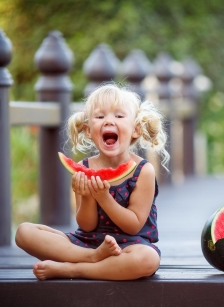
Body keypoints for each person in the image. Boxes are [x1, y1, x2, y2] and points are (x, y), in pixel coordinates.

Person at [15, 83, 169, 280]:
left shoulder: (143, 171)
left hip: (130, 245)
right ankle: (92, 258)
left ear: (135, 129)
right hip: (86, 243)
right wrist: (87, 196)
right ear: (88, 130)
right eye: (100, 116)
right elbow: (86, 226)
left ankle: (72, 269)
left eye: (119, 116)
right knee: (24, 232)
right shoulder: (84, 167)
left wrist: (104, 198)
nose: (108, 121)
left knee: (148, 259)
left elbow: (133, 226)